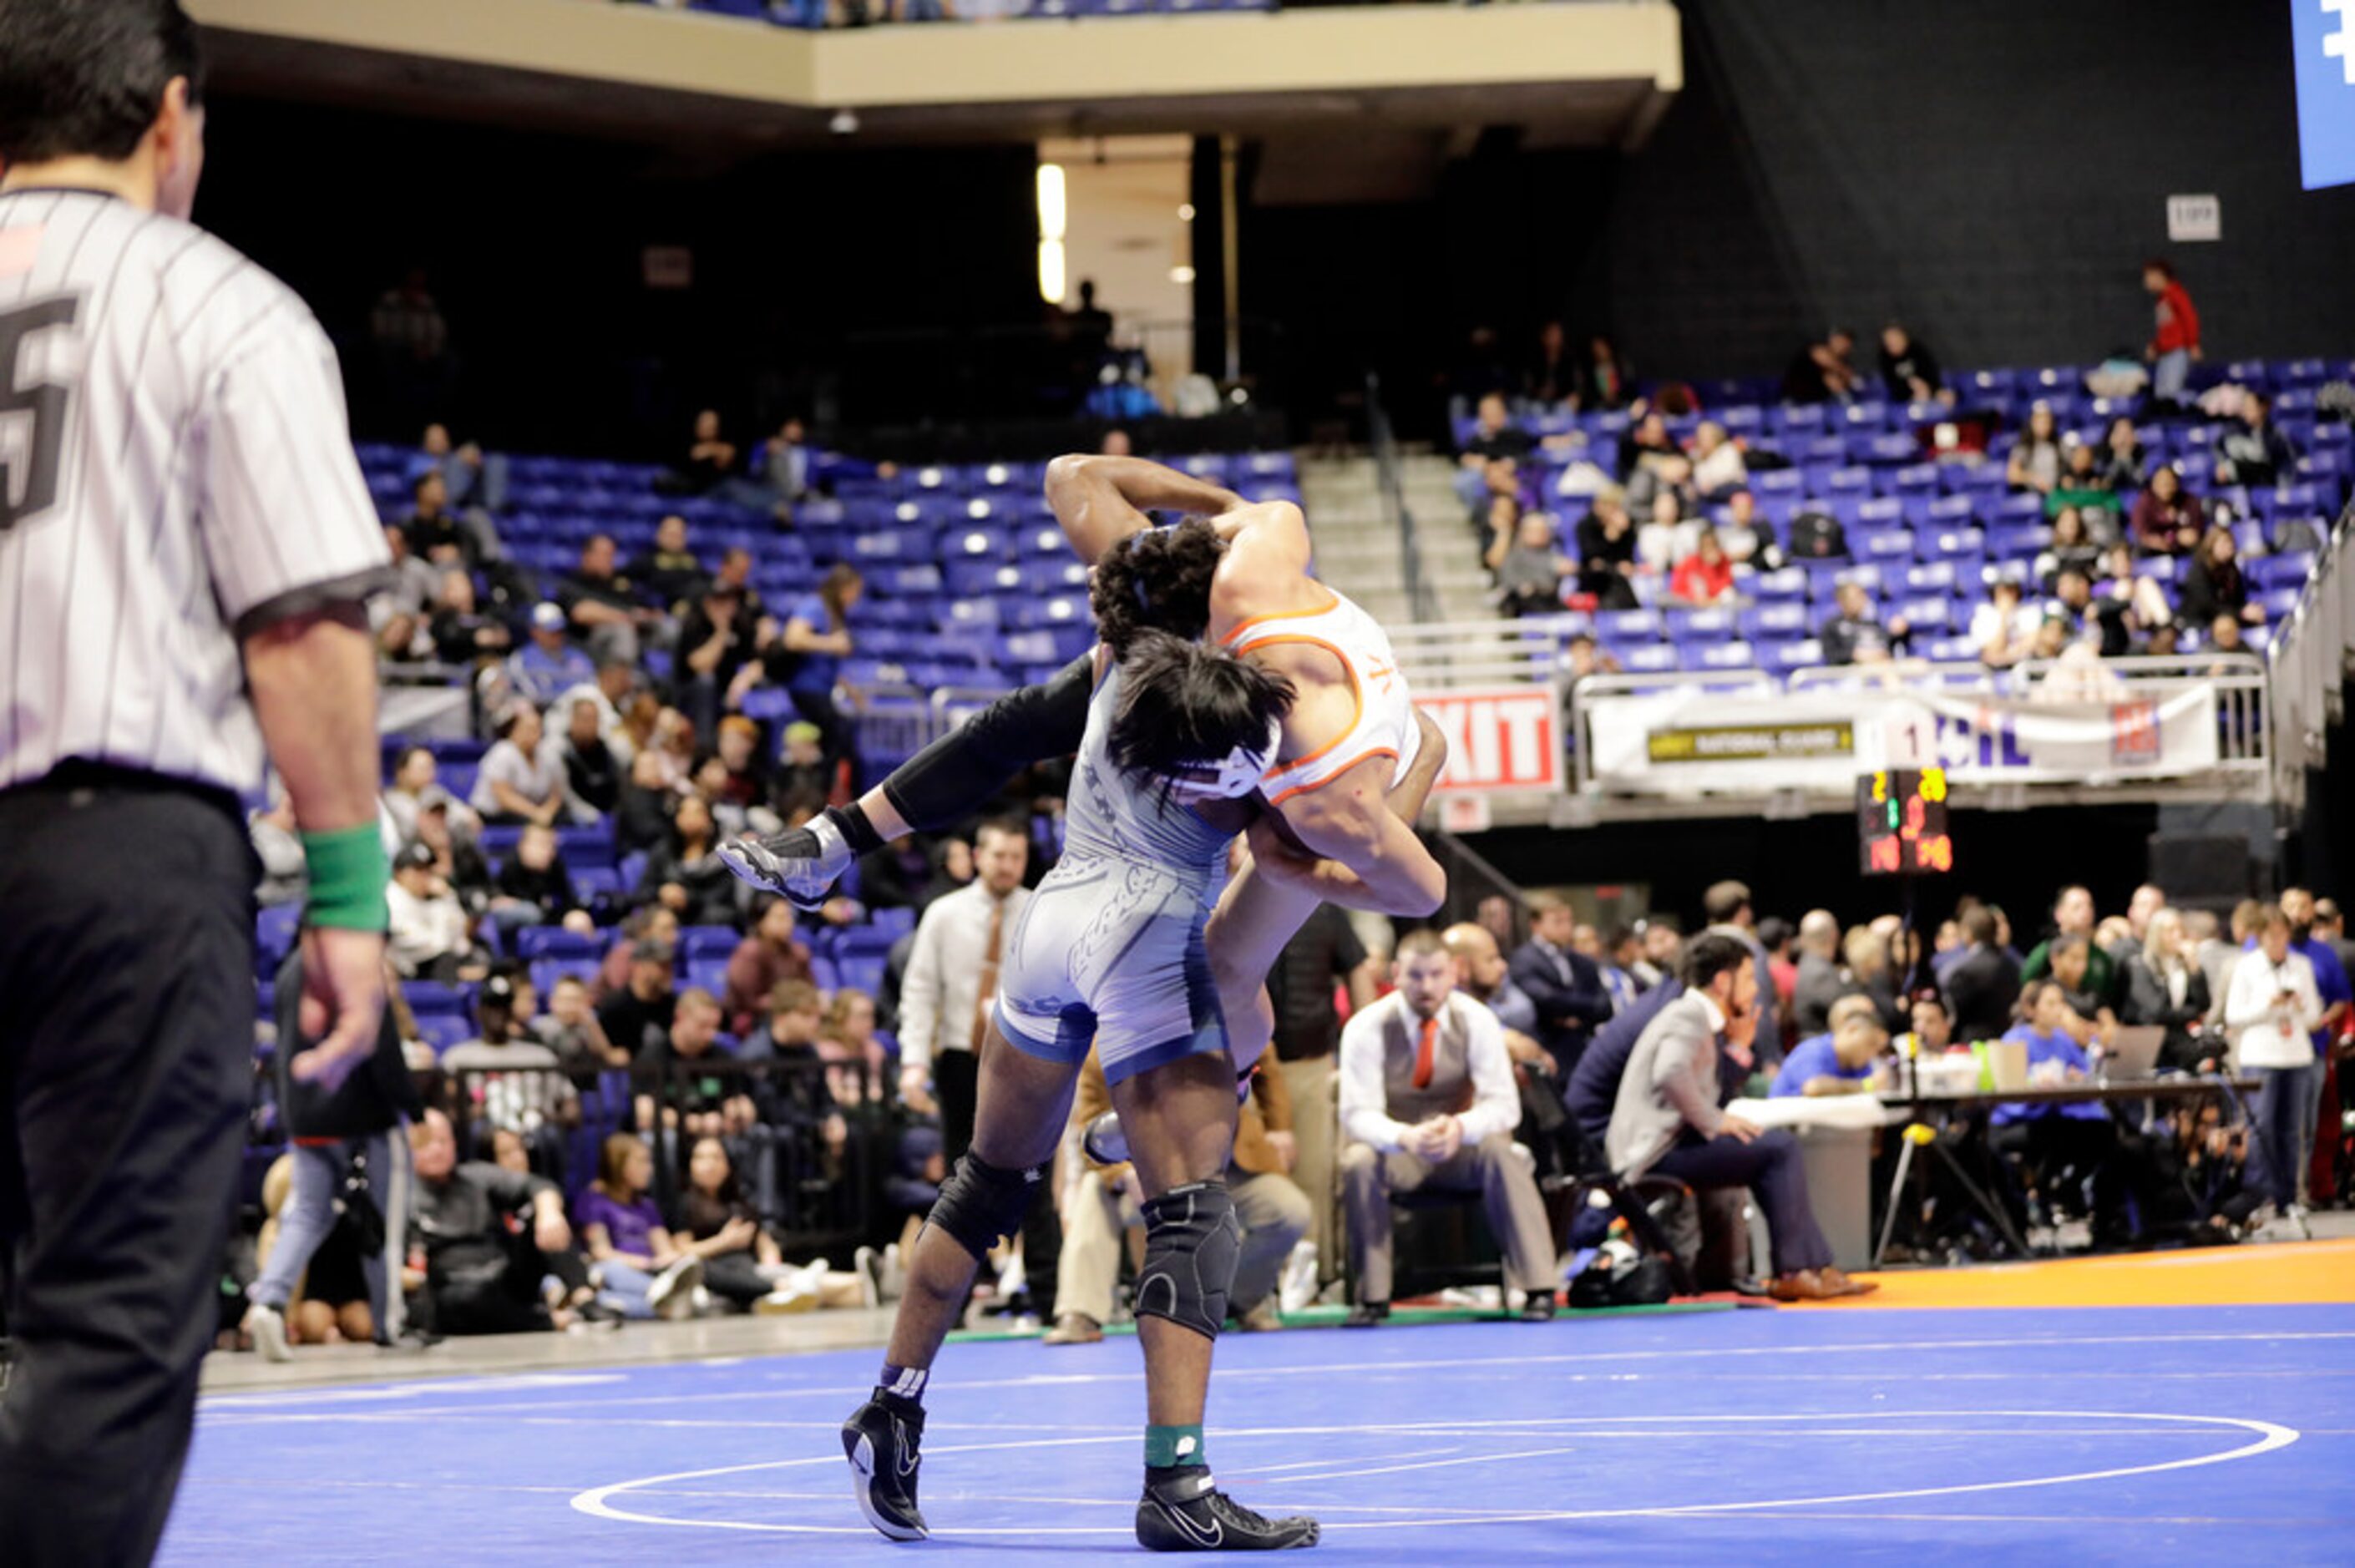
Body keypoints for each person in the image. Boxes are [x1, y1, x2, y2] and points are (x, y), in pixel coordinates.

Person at [0, 8, 396, 1557]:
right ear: (171, 119)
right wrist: (350, 897)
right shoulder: (222, 305)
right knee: (105, 1321)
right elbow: (298, 619)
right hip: (118, 853)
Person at [1605, 936, 1873, 1299]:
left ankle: (1812, 1266)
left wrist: (1738, 1050)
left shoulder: (1702, 1018)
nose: (1754, 988)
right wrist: (1714, 1121)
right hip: (1653, 1154)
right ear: (1722, 981)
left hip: (1672, 1144)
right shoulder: (1689, 1014)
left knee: (1774, 1148)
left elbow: (1714, 1090)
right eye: (1747, 978)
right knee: (1778, 1150)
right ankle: (1796, 1269)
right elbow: (1669, 1074)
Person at [1337, 933, 1557, 1326]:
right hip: (1399, 1150)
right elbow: (1357, 1114)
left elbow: (1504, 1107)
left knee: (1503, 1151)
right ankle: (1372, 1297)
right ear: (1396, 974)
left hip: (1460, 1149)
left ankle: (1539, 1288)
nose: (1426, 986)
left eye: (1436, 974)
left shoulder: (1478, 1020)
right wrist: (1404, 1136)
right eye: (1416, 976)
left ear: (1453, 973)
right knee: (1357, 1160)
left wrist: (1459, 1126)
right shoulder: (1365, 1026)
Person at [1049, 1050, 1308, 1344]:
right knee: (1096, 1190)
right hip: (1149, 1172)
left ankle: (1234, 1300)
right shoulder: (1101, 1049)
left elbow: (1265, 1062)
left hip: (1222, 1165)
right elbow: (1091, 1129)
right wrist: (1124, 1174)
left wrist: (1280, 1128)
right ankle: (1079, 1312)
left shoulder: (1218, 1016)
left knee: (1289, 1210)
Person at [242, 950, 421, 1362]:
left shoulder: (290, 969)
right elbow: (384, 1043)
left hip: (304, 1112)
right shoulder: (354, 956)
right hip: (363, 1111)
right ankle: (390, 1324)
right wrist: (412, 1106)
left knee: (308, 1211)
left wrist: (294, 1112)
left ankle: (269, 1302)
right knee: (386, 1217)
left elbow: (287, 1042)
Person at [403, 1109, 577, 1336]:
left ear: (454, 1143)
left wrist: (549, 1214)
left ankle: (583, 1297)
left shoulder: (476, 1175)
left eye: (443, 1141)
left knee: (545, 1219)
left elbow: (538, 1185)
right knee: (460, 1301)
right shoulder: (402, 1195)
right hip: (449, 1284)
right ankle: (545, 1320)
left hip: (504, 1276)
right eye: (426, 1143)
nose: (437, 1149)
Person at [572, 1132, 705, 1320]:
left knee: (613, 1299)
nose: (649, 1169)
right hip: (619, 1271)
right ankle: (667, 1295)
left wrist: (670, 1260)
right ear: (618, 1164)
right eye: (641, 1162)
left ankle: (661, 1300)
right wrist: (643, 1263)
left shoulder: (647, 1206)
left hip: (651, 1273)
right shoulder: (593, 1201)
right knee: (610, 1271)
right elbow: (601, 1252)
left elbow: (664, 1248)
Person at [772, 563, 864, 784]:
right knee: (839, 735)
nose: (856, 598)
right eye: (854, 591)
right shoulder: (814, 606)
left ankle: (828, 789)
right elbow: (793, 638)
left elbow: (826, 664)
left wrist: (849, 690)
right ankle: (820, 790)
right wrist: (832, 643)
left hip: (822, 690)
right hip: (805, 689)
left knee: (844, 740)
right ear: (842, 588)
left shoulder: (833, 614)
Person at [1509, 893, 1613, 1074]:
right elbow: (1547, 1001)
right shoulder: (1524, 959)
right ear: (1536, 925)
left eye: (1569, 921)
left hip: (1583, 1049)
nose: (1566, 928)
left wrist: (1574, 1015)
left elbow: (1605, 1006)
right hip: (1548, 1051)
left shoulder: (1582, 961)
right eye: (1558, 922)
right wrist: (1586, 1007)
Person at [2122, 908, 2213, 1071]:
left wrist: (2195, 969)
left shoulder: (2186, 966)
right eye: (2171, 931)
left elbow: (2203, 1005)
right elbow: (2157, 1011)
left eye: (2180, 930)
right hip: (2153, 1042)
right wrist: (2190, 1013)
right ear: (2157, 935)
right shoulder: (2142, 965)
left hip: (2181, 1040)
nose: (2178, 935)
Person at [471, 701, 570, 827]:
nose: (534, 734)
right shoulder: (503, 752)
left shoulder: (547, 755)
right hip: (495, 816)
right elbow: (503, 796)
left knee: (566, 821)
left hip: (535, 814)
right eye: (529, 728)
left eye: (537, 728)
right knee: (531, 827)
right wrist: (535, 813)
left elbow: (557, 793)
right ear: (515, 730)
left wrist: (548, 812)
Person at [1769, 995, 1889, 1097]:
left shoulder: (1859, 1065)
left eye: (1877, 1050)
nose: (1872, 1054)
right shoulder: (1814, 1050)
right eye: (1870, 1044)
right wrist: (1865, 1085)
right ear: (1852, 1030)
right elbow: (1813, 1088)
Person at [1943, 905, 2023, 1043]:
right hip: (2006, 1042)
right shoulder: (2013, 966)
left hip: (1972, 1046)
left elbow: (1954, 1016)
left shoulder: (1963, 970)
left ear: (1967, 932)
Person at [506, 602, 597, 710]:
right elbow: (535, 697)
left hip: (580, 715)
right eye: (552, 631)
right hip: (543, 715)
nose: (558, 636)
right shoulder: (521, 660)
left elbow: (593, 689)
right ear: (534, 631)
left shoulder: (579, 657)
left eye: (560, 631)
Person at [2177, 528, 2262, 630]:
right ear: (2211, 545)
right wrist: (2241, 613)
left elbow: (2239, 599)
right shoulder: (2199, 569)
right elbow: (2208, 606)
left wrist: (2248, 610)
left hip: (2225, 617)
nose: (2228, 548)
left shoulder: (2232, 569)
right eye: (2223, 544)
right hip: (2199, 621)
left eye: (2230, 544)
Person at [2142, 259, 2201, 407]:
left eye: (2148, 276)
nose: (2146, 282)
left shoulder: (2176, 294)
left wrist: (2193, 344)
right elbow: (2167, 330)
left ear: (2159, 275)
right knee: (2161, 395)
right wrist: (2156, 346)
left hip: (2177, 352)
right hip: (2166, 352)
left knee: (2171, 395)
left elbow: (2190, 318)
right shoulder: (2163, 299)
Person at [1573, 488, 1641, 609]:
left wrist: (1622, 533)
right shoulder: (1585, 525)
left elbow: (1627, 557)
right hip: (1594, 578)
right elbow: (1591, 556)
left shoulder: (1627, 527)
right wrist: (1610, 537)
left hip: (1621, 578)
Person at [1820, 579, 1909, 665]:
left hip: (1882, 665)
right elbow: (1831, 656)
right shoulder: (1832, 626)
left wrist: (1898, 634)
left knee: (1917, 664)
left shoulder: (1873, 622)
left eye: (1862, 596)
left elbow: (1889, 646)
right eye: (1854, 597)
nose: (1861, 601)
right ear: (1841, 601)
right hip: (1853, 671)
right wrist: (1855, 655)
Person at [2129, 466, 2203, 556]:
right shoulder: (2144, 503)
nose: (2166, 488)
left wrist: (2176, 537)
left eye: (2169, 483)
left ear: (2176, 484)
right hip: (2154, 548)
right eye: (2162, 483)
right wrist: (2155, 540)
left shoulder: (2189, 501)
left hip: (2181, 546)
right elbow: (2142, 533)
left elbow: (2193, 533)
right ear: (2154, 485)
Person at [1878, 322, 1947, 405]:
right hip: (1905, 400)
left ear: (1904, 337)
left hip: (1930, 390)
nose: (1893, 344)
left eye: (1895, 340)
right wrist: (1912, 392)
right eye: (1889, 343)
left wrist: (1930, 389)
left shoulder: (1917, 350)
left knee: (1945, 398)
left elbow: (1932, 373)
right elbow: (1893, 388)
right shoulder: (1885, 359)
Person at [1668, 528, 1737, 608]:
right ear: (1700, 547)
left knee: (1730, 594)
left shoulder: (1723, 560)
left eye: (1713, 545)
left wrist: (1712, 567)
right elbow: (1677, 588)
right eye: (1706, 545)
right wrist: (1695, 597)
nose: (1709, 549)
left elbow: (1727, 584)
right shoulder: (1690, 561)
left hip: (1716, 602)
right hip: (1691, 604)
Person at [2007, 402, 2064, 497]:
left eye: (2047, 422)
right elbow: (2012, 475)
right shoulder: (2024, 447)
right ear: (2032, 423)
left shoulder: (2059, 445)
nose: (2044, 426)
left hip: (2056, 492)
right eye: (2040, 422)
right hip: (2033, 495)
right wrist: (2034, 479)